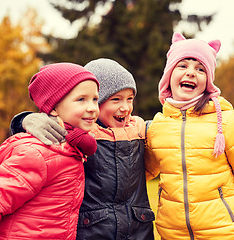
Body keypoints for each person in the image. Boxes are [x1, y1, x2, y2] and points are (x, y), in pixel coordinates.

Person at [144, 32, 234, 240]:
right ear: (168, 76)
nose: (191, 73)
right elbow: (140, 173)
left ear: (208, 81)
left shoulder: (226, 121)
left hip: (225, 232)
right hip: (173, 234)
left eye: (200, 69)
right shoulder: (157, 127)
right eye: (182, 66)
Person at [10, 58, 155, 240]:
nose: (125, 107)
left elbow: (172, 128)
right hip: (93, 231)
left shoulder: (139, 129)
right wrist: (23, 120)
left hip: (138, 232)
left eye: (130, 99)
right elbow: (40, 136)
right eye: (116, 99)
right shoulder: (77, 133)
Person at [0, 63, 100, 240]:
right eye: (81, 99)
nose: (92, 107)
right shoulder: (39, 152)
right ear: (53, 107)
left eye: (95, 99)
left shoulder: (73, 149)